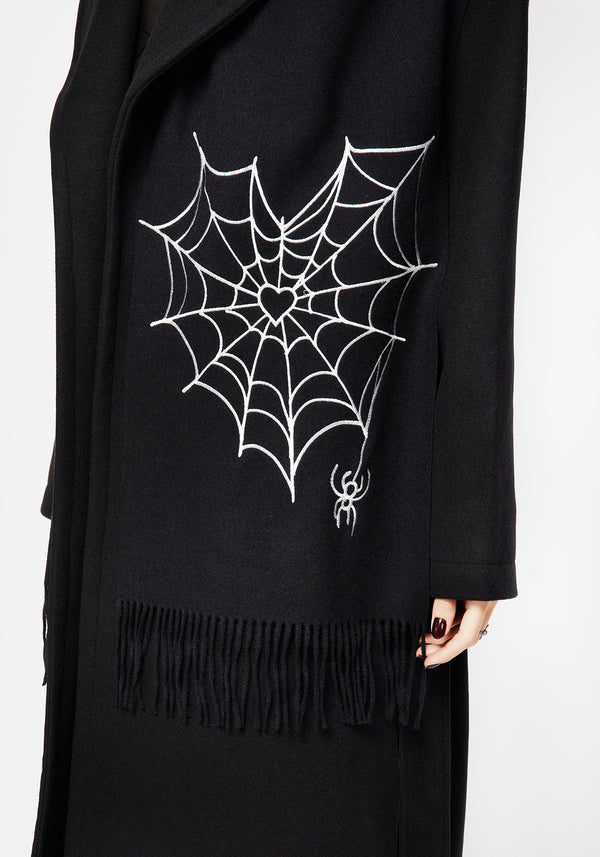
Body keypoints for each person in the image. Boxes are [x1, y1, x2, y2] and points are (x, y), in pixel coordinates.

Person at [31, 2, 529, 855]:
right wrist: (76, 469)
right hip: (137, 446)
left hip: (333, 553)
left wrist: (468, 521)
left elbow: (482, 157)